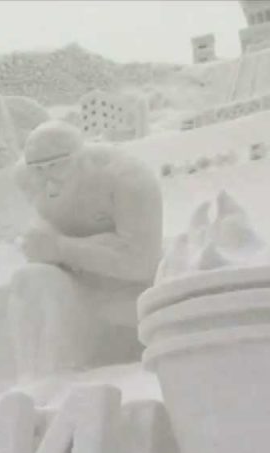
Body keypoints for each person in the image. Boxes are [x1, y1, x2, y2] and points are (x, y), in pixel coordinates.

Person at [10, 120, 162, 372]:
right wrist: (42, 242)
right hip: (80, 285)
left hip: (135, 296)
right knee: (29, 279)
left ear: (82, 159)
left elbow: (142, 262)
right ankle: (40, 381)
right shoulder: (26, 178)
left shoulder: (127, 178)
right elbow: (45, 225)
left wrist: (61, 248)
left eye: (58, 166)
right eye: (39, 169)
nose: (48, 178)